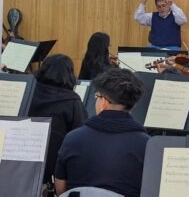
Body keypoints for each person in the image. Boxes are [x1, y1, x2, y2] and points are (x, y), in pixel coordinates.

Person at [55, 68, 150, 197]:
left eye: (97, 96)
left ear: (104, 102)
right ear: (132, 104)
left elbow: (61, 189)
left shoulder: (73, 138)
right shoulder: (146, 144)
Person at [28, 54, 88, 185]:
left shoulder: (28, 91)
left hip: (22, 160)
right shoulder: (72, 101)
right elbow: (81, 135)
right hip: (54, 166)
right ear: (69, 74)